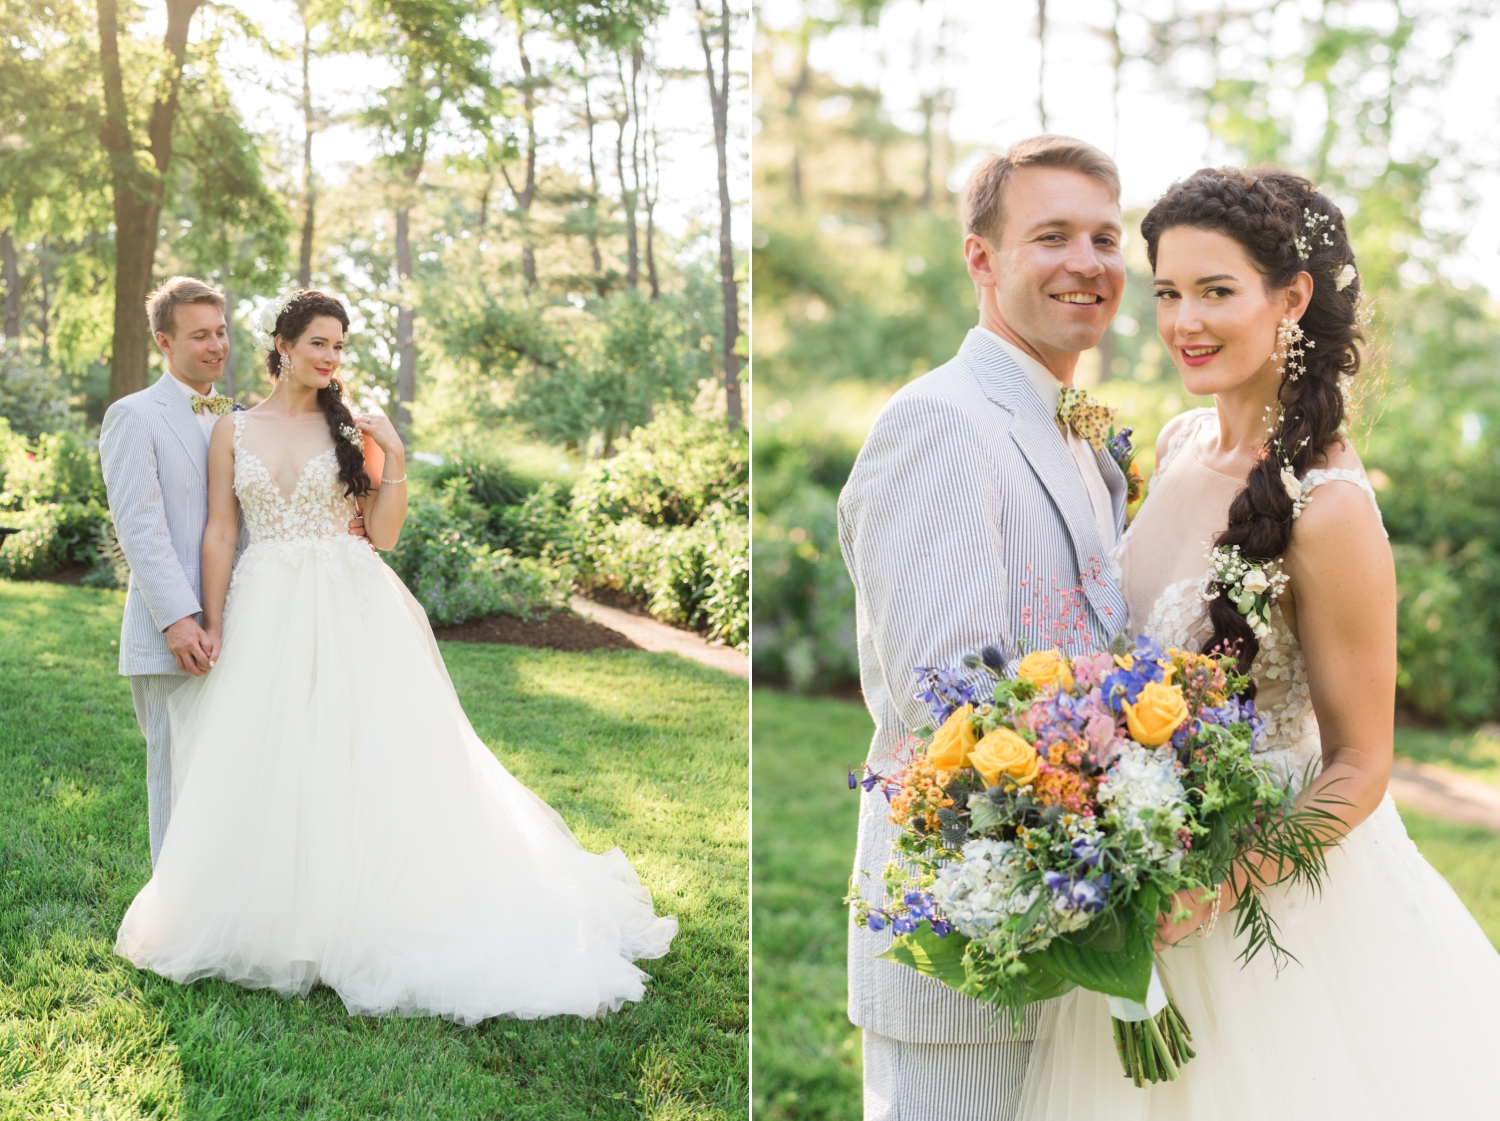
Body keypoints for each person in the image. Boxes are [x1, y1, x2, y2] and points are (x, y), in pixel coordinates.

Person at [1017, 167, 1500, 1118]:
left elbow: (1361, 763)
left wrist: (1213, 890)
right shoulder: (1185, 438)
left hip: (1268, 905)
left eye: (1216, 291)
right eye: (1167, 292)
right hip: (1143, 856)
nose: (1183, 321)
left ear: (1293, 297)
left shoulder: (1331, 510)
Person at [114, 289, 677, 1023]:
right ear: (282, 344)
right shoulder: (231, 429)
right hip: (264, 605)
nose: (329, 357)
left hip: (353, 603)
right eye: (318, 342)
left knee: (367, 753)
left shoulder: (351, 425)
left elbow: (382, 531)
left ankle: (372, 911)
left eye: (339, 346)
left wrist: (397, 454)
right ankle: (288, 918)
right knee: (279, 757)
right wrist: (213, 621)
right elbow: (220, 533)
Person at [837, 136, 1132, 1121]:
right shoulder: (943, 421)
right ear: (982, 257)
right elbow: (944, 707)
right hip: (968, 954)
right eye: (1051, 234)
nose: (1086, 262)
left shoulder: (1076, 433)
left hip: (1067, 936)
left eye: (1104, 235)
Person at [98, 277, 365, 867]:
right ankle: (171, 911)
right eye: (200, 335)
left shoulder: (239, 419)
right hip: (175, 629)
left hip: (248, 624)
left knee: (235, 775)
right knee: (177, 770)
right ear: (165, 343)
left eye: (221, 332)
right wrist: (179, 620)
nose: (216, 345)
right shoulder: (133, 416)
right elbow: (140, 529)